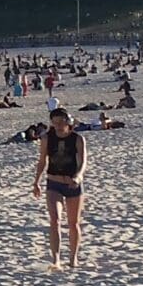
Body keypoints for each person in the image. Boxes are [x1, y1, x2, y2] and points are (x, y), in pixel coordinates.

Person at [28, 108, 86, 268]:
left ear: (68, 121)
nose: (59, 125)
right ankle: (56, 259)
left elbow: (83, 162)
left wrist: (78, 176)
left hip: (73, 184)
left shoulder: (77, 139)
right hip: (54, 183)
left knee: (73, 223)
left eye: (62, 122)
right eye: (55, 122)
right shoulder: (47, 138)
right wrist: (36, 182)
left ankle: (73, 258)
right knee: (55, 220)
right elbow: (42, 161)